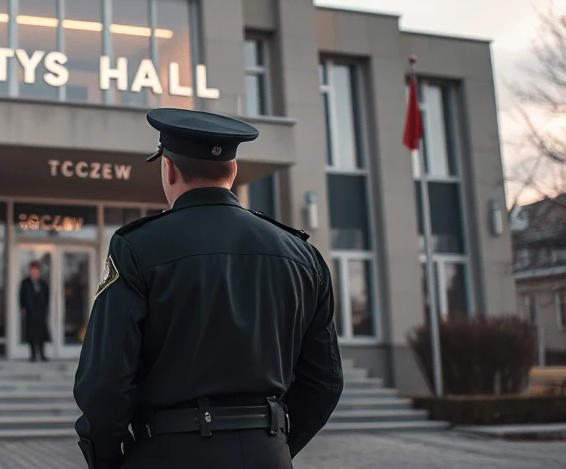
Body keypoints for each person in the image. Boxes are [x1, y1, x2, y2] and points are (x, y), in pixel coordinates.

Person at [74, 108, 344, 469]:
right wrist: (272, 442)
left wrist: (108, 460)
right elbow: (324, 382)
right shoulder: (302, 255)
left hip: (166, 454)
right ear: (232, 172)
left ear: (168, 169)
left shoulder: (137, 247)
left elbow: (105, 383)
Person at [19, 260, 50, 362]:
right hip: (30, 312)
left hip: (40, 312)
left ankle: (42, 354)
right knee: (31, 334)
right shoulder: (25, 283)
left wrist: (46, 308)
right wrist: (22, 308)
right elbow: (21, 296)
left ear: (39, 271)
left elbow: (47, 297)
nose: (34, 272)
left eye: (36, 270)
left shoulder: (43, 283)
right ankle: (32, 355)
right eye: (32, 270)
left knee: (41, 334)